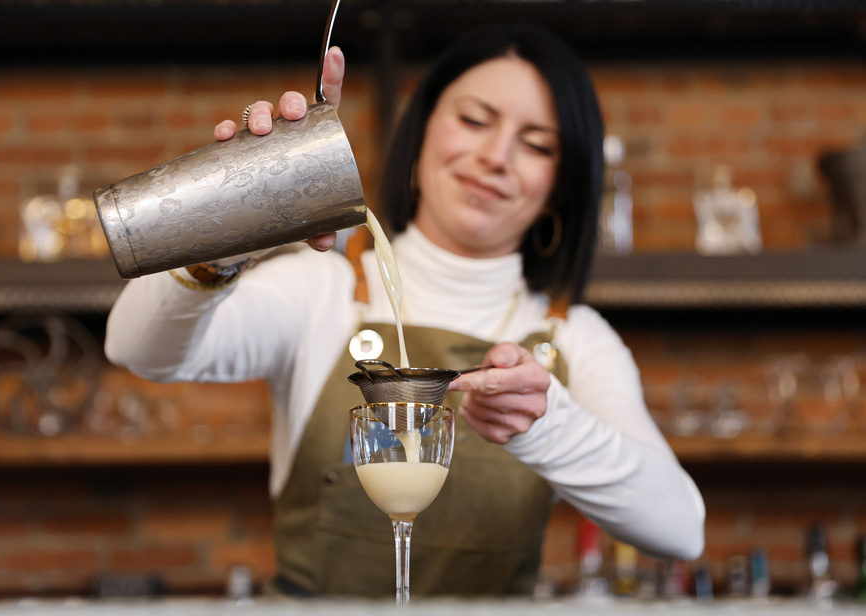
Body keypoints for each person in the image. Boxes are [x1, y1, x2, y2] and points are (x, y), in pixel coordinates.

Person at [105, 24, 705, 598]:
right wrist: (228, 231)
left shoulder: (577, 339)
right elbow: (136, 347)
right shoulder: (323, 290)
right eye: (474, 120)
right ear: (420, 135)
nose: (496, 155)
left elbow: (680, 529)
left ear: (560, 187)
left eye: (537, 144)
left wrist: (545, 422)